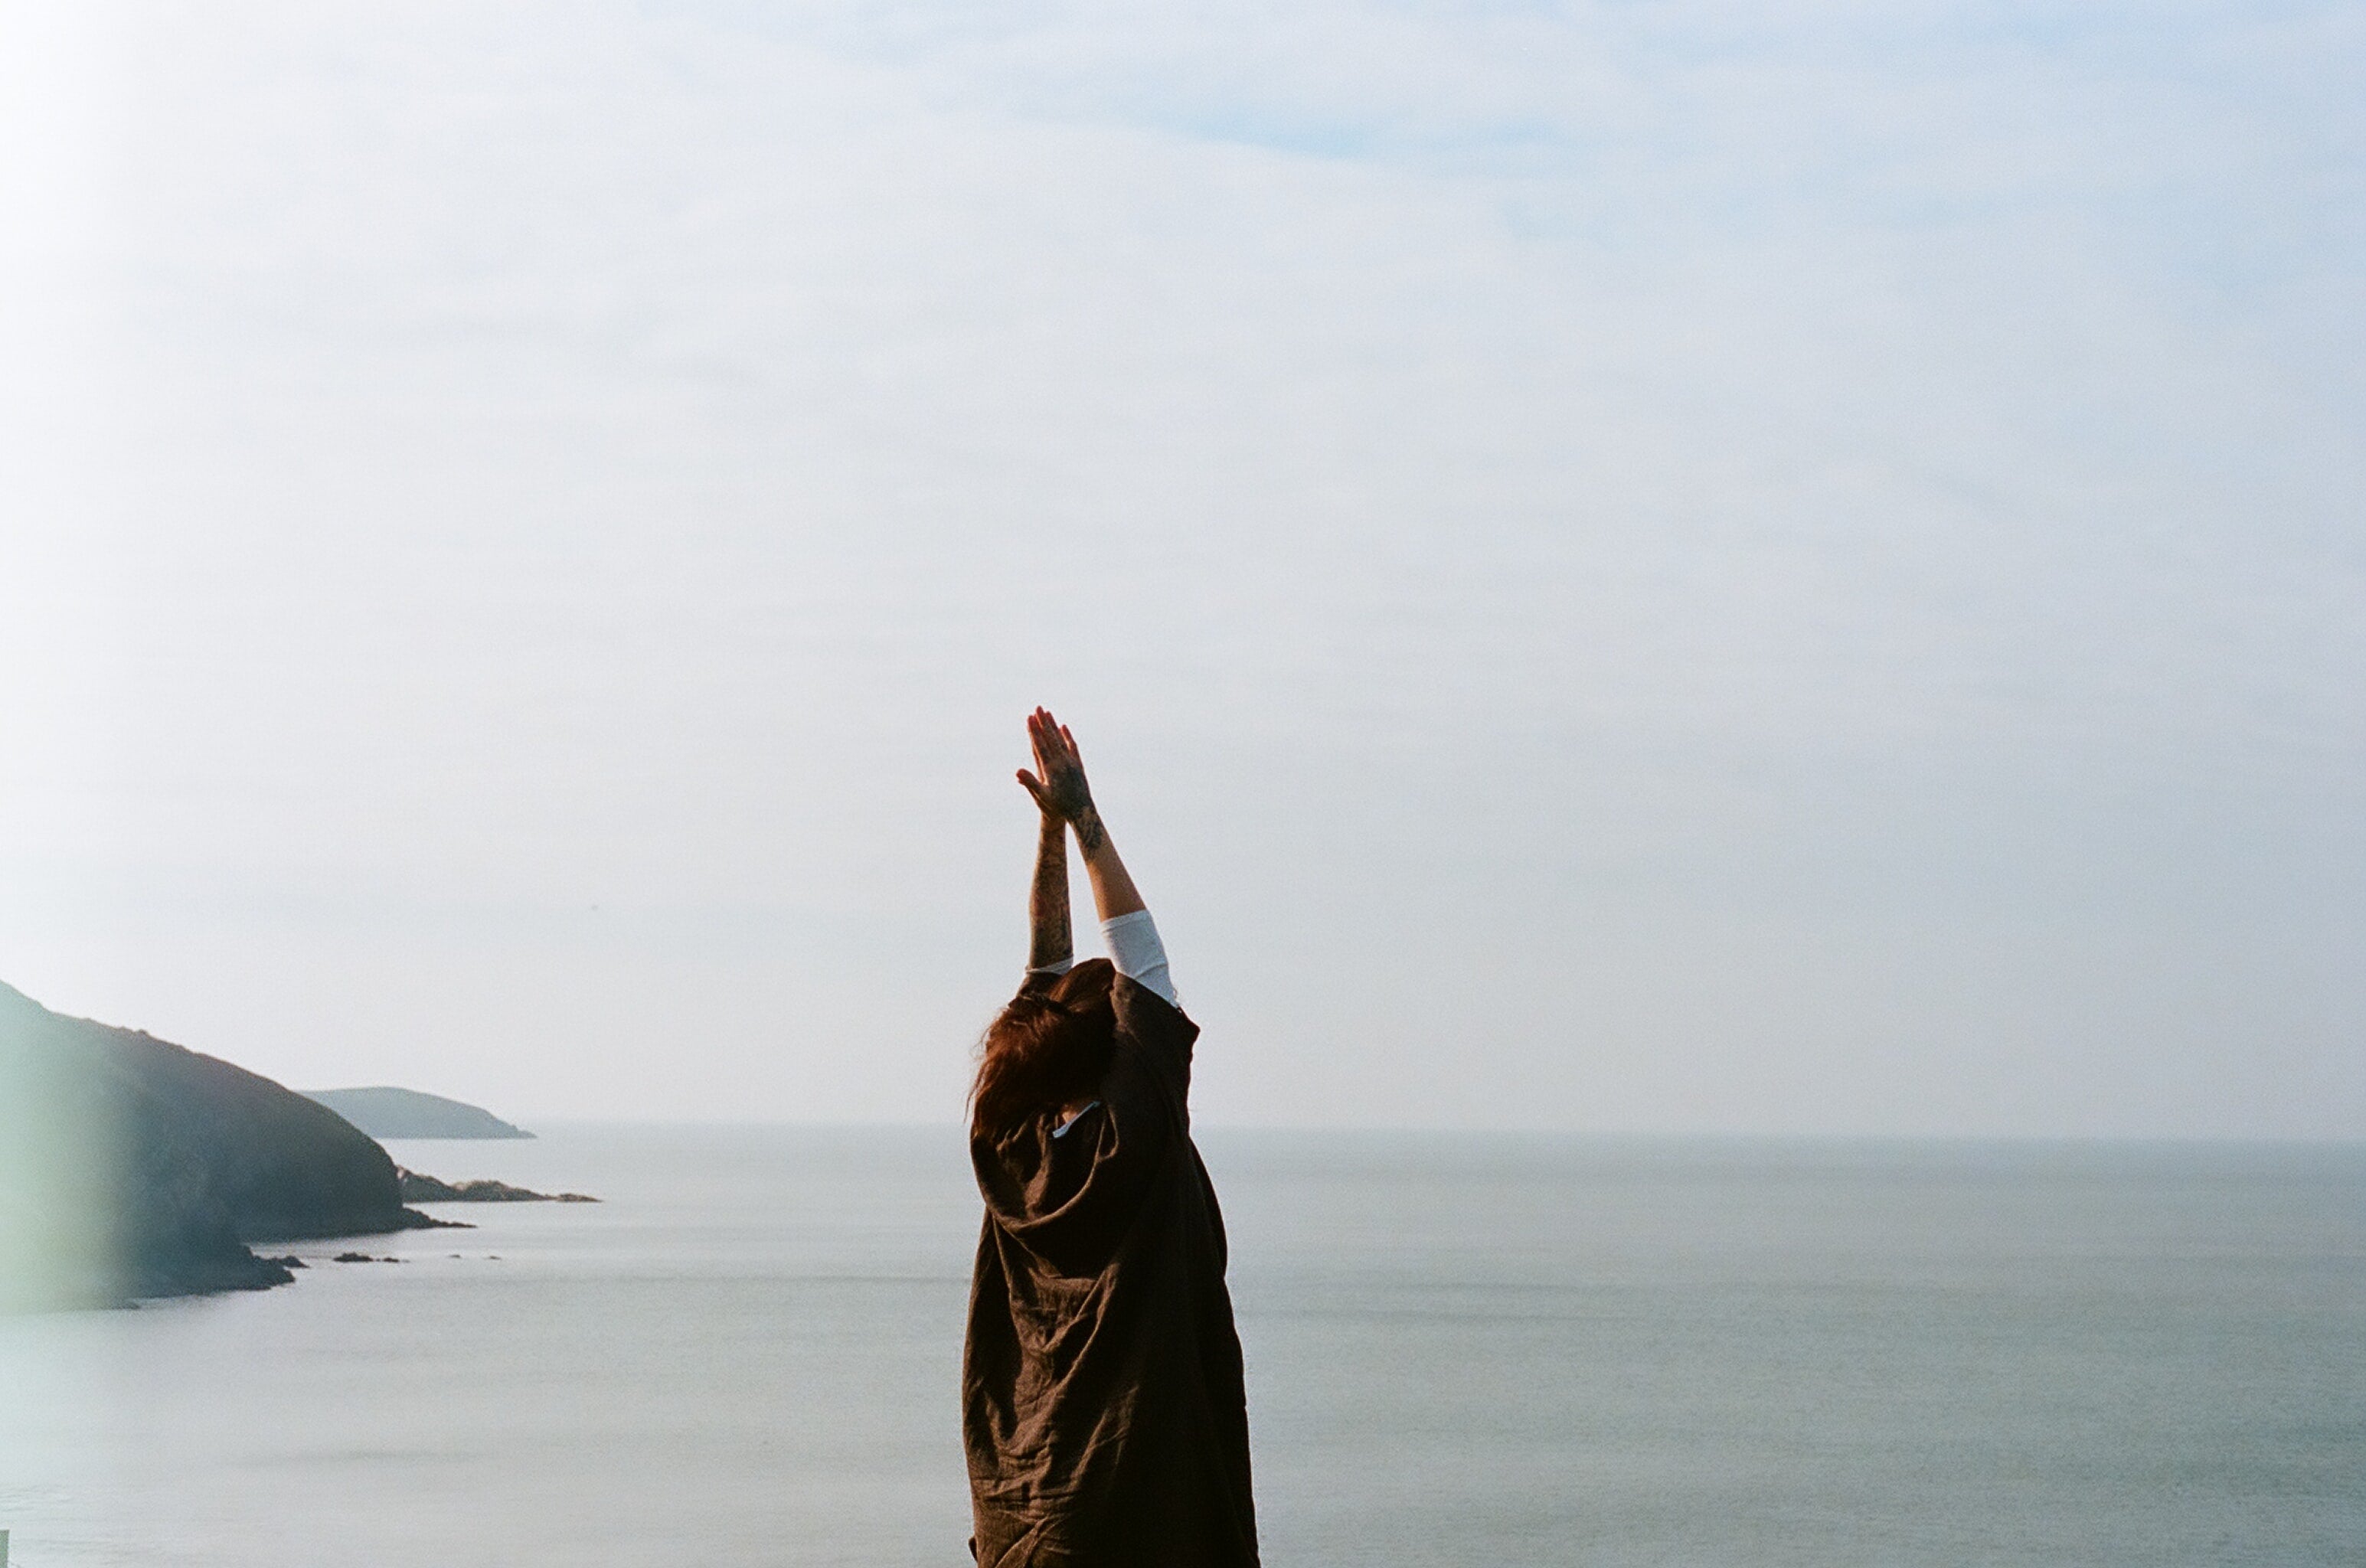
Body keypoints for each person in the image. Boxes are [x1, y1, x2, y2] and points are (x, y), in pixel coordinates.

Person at [962, 708, 1260, 1567]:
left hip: (1029, 1518)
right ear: (1117, 1055)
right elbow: (1142, 964)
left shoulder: (1006, 1150)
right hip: (1140, 1507)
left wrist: (1051, 829)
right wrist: (1084, 818)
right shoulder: (1135, 1141)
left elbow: (1044, 977)